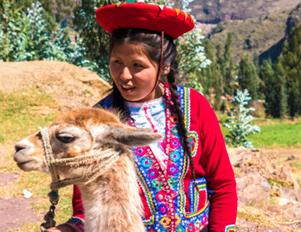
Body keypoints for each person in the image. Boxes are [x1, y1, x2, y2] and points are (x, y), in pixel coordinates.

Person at [46, 1, 237, 232]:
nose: (124, 76)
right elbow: (87, 202)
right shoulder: (98, 121)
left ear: (164, 66)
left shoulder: (194, 106)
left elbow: (222, 182)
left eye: (137, 65)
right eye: (117, 63)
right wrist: (70, 228)